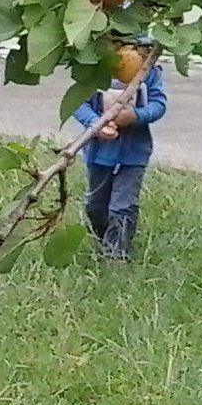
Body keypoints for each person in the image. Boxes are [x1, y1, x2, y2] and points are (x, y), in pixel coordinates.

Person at [70, 57, 169, 261]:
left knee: (123, 205)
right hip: (98, 153)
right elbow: (78, 104)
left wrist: (136, 115)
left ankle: (116, 254)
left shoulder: (148, 70)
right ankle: (104, 238)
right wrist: (96, 124)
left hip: (134, 153)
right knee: (96, 205)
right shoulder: (94, 66)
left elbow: (158, 104)